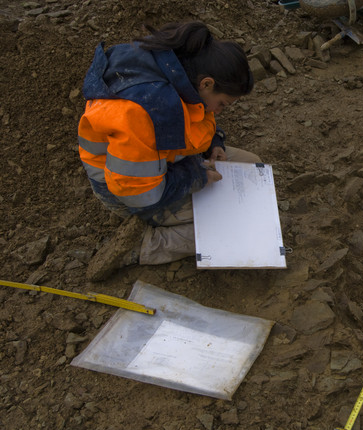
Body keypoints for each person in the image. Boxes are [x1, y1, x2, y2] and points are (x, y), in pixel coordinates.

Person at [78, 22, 260, 281]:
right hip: (128, 188)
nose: (219, 111)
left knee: (252, 166)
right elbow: (140, 193)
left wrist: (214, 144)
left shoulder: (181, 70)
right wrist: (195, 177)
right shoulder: (144, 109)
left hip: (163, 164)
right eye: (222, 104)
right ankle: (144, 244)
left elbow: (193, 117)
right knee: (236, 222)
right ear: (207, 84)